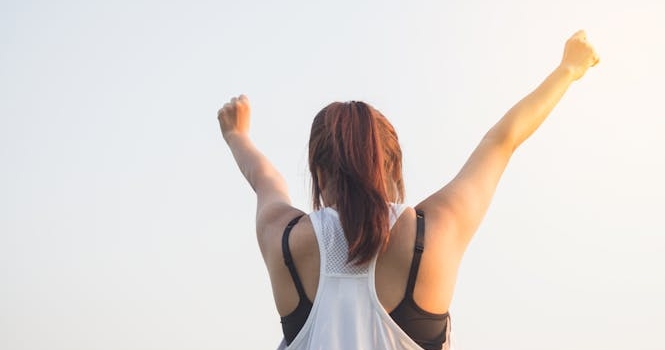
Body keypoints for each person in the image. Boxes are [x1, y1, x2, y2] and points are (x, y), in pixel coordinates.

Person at [217, 30, 599, 350]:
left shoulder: (284, 242)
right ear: (394, 165)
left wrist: (237, 135)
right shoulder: (433, 233)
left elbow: (265, 179)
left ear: (317, 171)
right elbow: (501, 141)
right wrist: (568, 69)